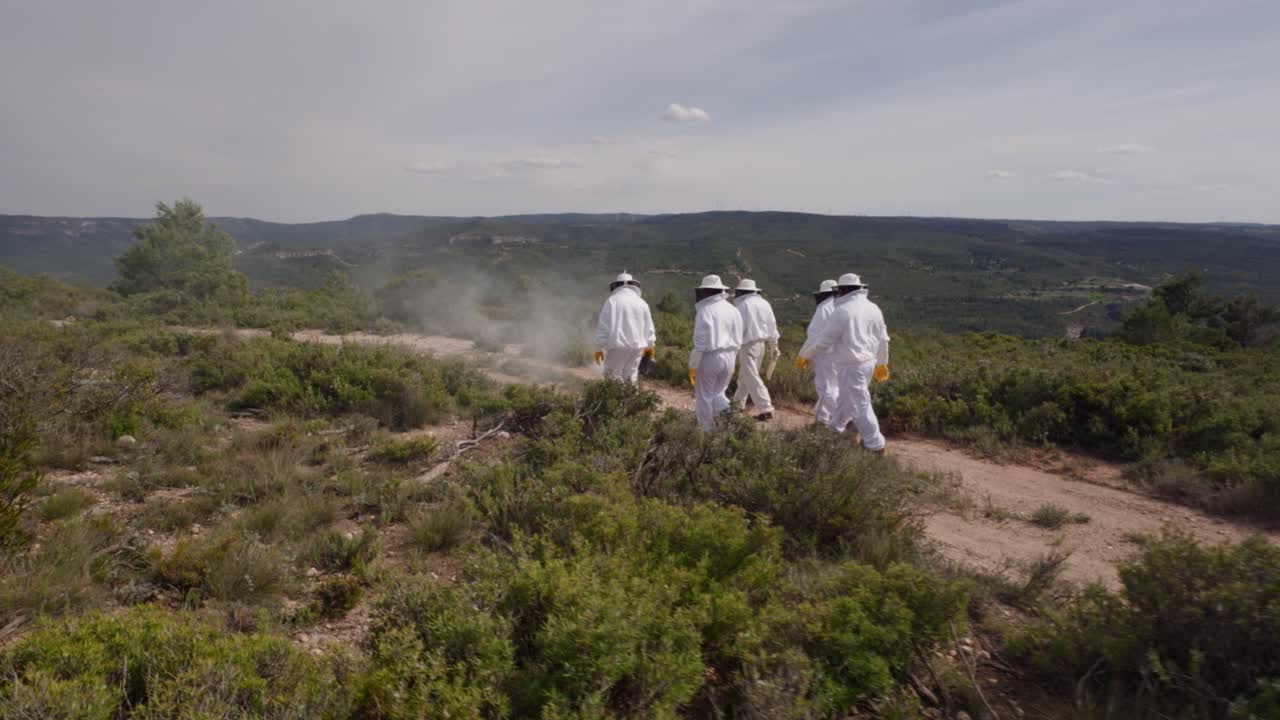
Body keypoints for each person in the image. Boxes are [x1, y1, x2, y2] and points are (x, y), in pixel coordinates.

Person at [796, 273, 891, 453]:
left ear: (843, 290)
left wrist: (806, 355)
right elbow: (883, 339)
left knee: (859, 405)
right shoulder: (873, 308)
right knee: (846, 400)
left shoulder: (842, 311)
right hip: (869, 363)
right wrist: (882, 362)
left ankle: (875, 444)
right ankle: (835, 429)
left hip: (851, 365)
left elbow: (824, 341)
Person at [689, 274, 743, 431]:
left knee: (704, 396)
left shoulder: (705, 311)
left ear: (706, 291)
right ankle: (730, 420)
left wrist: (693, 365)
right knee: (718, 393)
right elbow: (739, 337)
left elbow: (700, 343)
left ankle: (705, 431)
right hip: (731, 357)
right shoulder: (733, 310)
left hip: (710, 357)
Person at [593, 272, 656, 384]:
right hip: (637, 348)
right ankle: (632, 400)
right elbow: (649, 328)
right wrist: (650, 346)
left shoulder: (612, 301)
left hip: (618, 346)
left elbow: (604, 325)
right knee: (631, 375)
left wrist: (599, 347)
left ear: (617, 285)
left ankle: (618, 401)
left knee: (612, 375)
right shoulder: (642, 303)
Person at [732, 278, 780, 421]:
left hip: (748, 346)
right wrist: (774, 346)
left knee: (752, 377)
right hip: (762, 345)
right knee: (745, 376)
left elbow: (737, 329)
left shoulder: (743, 305)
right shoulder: (765, 304)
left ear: (741, 291)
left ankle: (767, 409)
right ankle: (737, 404)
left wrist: (732, 349)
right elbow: (772, 327)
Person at [804, 279, 839, 425]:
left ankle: (840, 417)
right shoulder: (841, 306)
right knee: (835, 385)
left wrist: (806, 354)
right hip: (840, 354)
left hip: (824, 354)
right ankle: (823, 417)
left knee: (826, 387)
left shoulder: (824, 308)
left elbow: (814, 335)